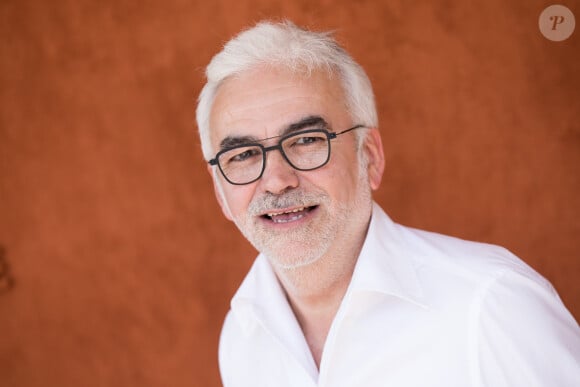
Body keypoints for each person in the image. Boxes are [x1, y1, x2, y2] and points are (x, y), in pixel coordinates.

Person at [196, 20, 580, 387]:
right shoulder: (242, 337)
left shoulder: (493, 305)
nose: (277, 181)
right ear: (221, 195)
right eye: (243, 155)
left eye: (307, 140)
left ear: (370, 156)